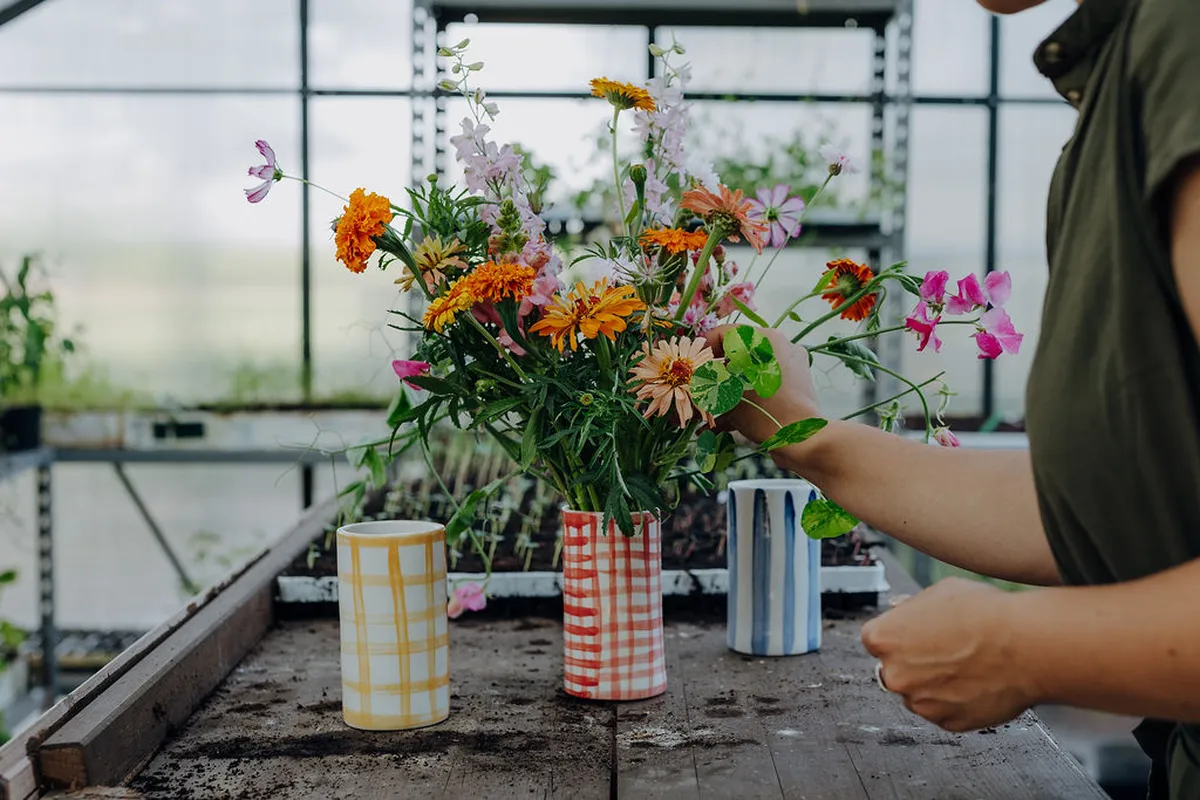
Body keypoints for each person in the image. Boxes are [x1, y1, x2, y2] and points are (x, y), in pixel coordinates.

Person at [706, 0, 1200, 795]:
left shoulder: (1183, 43)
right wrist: (797, 430)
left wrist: (1024, 647)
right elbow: (1105, 505)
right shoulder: (1129, 57)